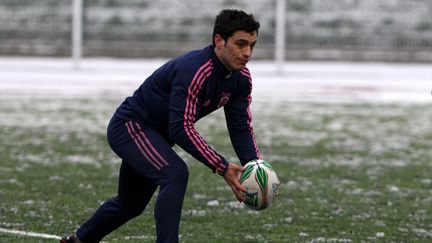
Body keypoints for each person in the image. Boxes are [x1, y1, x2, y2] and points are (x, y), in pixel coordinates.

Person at [61, 9, 261, 243]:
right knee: (175, 173)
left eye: (252, 45)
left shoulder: (241, 79)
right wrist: (222, 166)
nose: (247, 53)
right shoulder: (195, 70)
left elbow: (240, 127)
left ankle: (77, 240)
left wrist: (256, 166)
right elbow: (181, 128)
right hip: (130, 127)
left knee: (130, 204)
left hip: (154, 136)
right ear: (219, 40)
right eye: (240, 44)